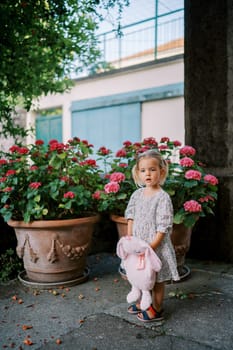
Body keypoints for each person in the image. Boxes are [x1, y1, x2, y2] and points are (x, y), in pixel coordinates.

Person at [125, 149, 180, 322]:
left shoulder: (162, 198)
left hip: (156, 247)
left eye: (152, 169)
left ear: (161, 171)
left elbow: (163, 227)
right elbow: (131, 216)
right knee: (141, 276)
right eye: (143, 170)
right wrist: (130, 240)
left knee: (156, 279)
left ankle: (156, 308)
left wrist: (150, 248)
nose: (147, 173)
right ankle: (143, 302)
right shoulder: (137, 194)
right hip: (138, 246)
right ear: (138, 173)